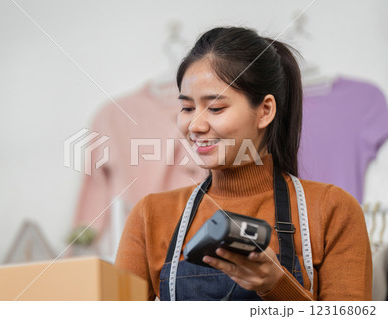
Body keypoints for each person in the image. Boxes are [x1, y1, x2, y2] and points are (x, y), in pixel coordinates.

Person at [115, 26, 372, 301]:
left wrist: (277, 285)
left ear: (265, 111)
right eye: (187, 108)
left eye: (215, 108)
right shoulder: (150, 216)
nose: (196, 125)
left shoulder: (332, 210)